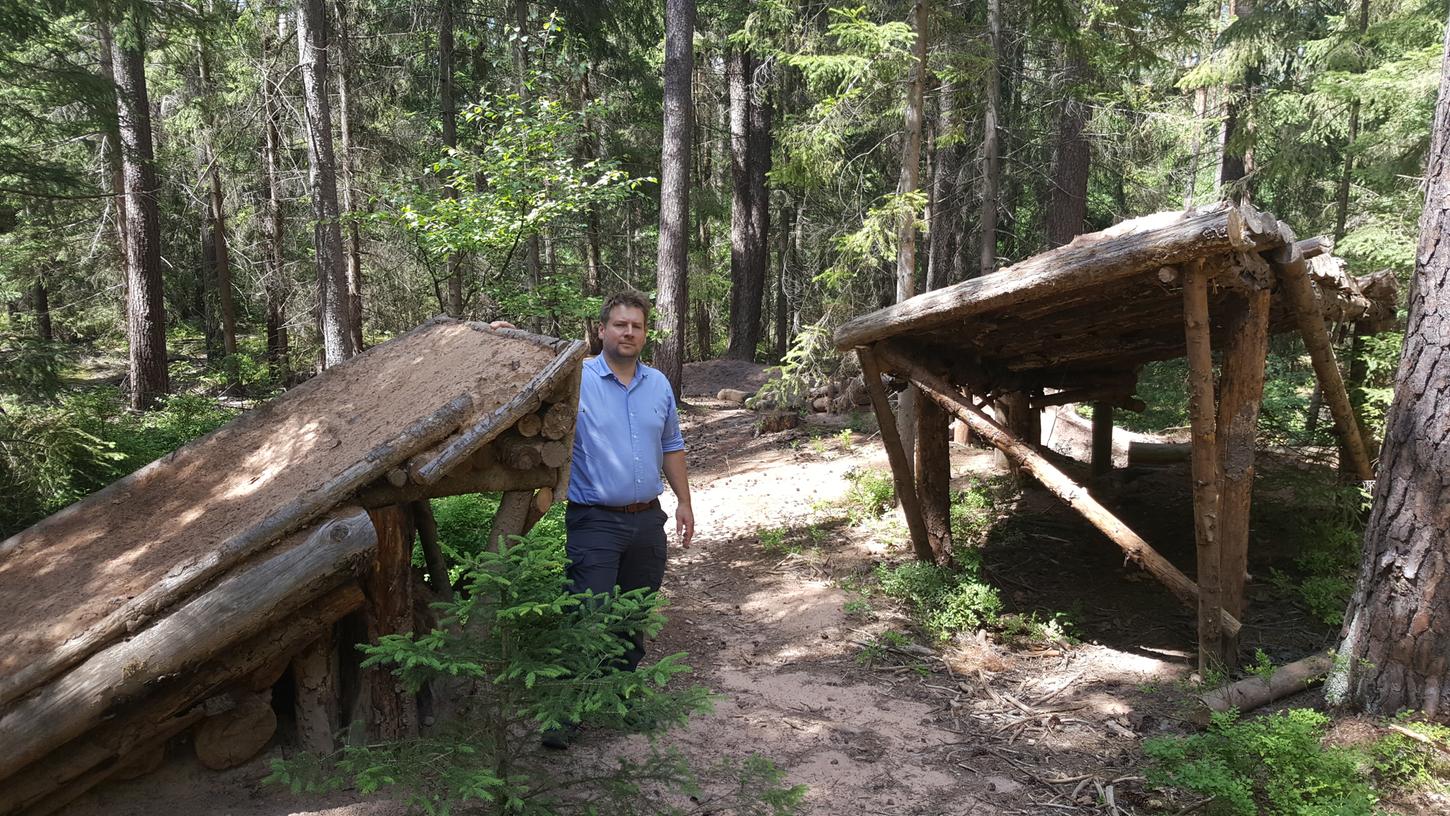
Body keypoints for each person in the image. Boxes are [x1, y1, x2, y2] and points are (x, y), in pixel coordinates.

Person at [543, 291, 694, 748]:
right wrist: (507, 339)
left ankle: (618, 694)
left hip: (648, 521)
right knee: (584, 613)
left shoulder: (658, 385)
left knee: (633, 613)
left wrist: (685, 501)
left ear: (645, 333)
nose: (629, 333)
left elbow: (672, 445)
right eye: (620, 325)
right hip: (594, 520)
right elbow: (526, 375)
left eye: (637, 326)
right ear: (603, 329)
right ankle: (563, 713)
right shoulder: (576, 378)